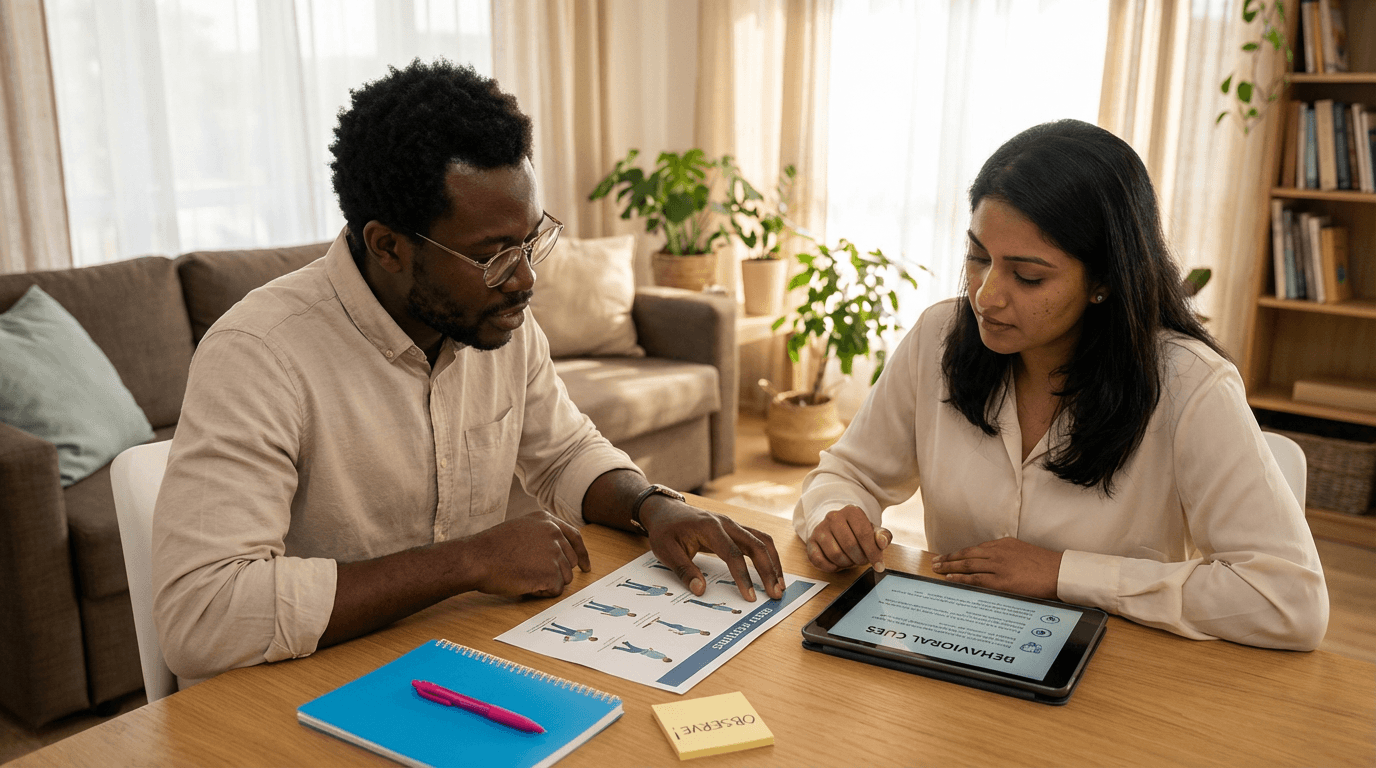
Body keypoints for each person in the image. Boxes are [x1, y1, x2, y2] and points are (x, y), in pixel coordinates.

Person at [152, 59, 784, 681]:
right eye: (493, 255)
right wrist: (469, 562)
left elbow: (564, 452)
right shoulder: (259, 354)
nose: (526, 278)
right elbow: (202, 617)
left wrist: (651, 505)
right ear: (387, 245)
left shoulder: (494, 323)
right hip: (300, 688)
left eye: (531, 240)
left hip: (458, 658)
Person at [793, 119, 1328, 651]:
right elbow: (850, 472)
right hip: (954, 649)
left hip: (1117, 674)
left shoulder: (1189, 383)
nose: (986, 296)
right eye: (979, 258)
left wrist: (1063, 575)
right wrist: (835, 513)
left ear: (1104, 280)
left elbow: (1288, 599)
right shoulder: (940, 336)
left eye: (1027, 276)